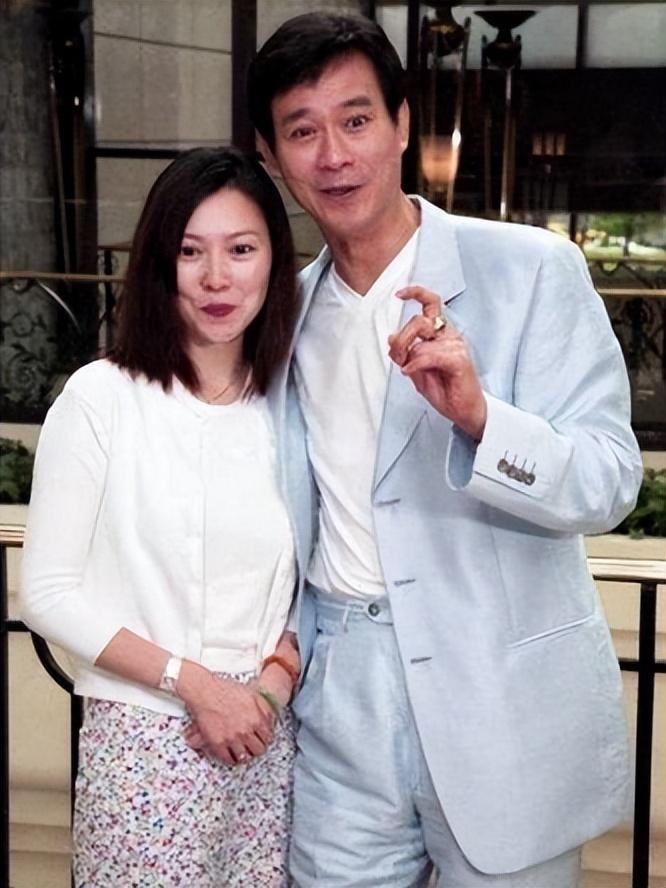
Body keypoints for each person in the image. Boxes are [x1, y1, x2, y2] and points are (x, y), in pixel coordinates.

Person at [248, 13, 644, 888]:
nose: (334, 155)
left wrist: (481, 420)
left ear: (401, 124)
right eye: (302, 132)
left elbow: (611, 480)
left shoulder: (532, 269)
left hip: (501, 697)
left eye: (356, 120)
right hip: (339, 695)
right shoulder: (279, 315)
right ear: (271, 157)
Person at [19, 146, 315, 887]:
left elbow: (309, 579)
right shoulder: (103, 397)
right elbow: (46, 594)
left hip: (263, 738)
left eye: (241, 250)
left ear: (274, 262)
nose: (217, 278)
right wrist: (196, 686)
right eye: (190, 251)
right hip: (146, 736)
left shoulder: (288, 407)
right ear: (160, 263)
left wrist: (268, 691)